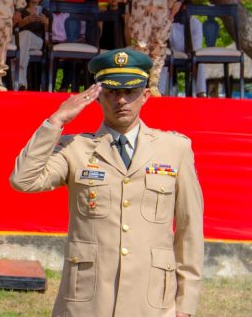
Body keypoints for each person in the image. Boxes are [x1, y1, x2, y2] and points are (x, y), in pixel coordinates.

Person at [10, 48, 203, 317]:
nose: (121, 100)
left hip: (151, 302)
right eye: (112, 92)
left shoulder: (175, 149)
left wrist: (185, 305)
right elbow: (23, 180)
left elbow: (189, 232)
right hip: (87, 301)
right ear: (98, 96)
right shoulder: (76, 148)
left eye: (130, 92)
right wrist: (56, 121)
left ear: (145, 96)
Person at [159, 2, 208, 97]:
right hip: (173, 52)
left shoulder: (196, 23)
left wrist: (190, 53)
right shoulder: (170, 23)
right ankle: (160, 91)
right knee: (163, 57)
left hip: (190, 53)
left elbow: (196, 46)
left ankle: (201, 92)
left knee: (200, 60)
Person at [13, 0, 49, 91]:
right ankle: (21, 83)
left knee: (26, 35)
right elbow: (15, 28)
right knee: (24, 40)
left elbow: (49, 33)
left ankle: (18, 77)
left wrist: (46, 23)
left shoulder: (45, 11)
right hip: (21, 42)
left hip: (38, 42)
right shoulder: (21, 11)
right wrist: (26, 21)